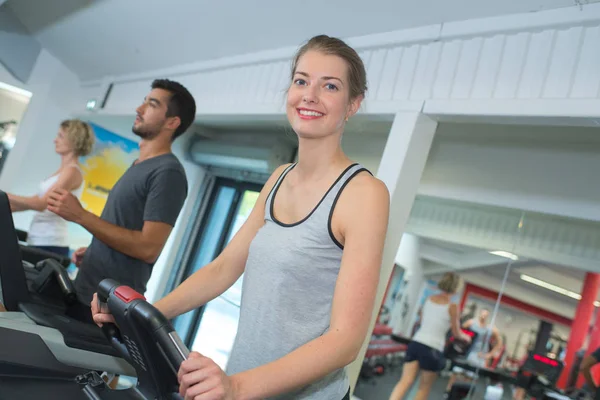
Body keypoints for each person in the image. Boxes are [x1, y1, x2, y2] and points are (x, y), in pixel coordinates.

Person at [93, 34, 390, 399]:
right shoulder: (279, 178)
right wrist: (141, 314)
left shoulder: (364, 194)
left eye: (330, 86)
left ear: (352, 104)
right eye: (301, 81)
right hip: (245, 385)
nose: (309, 95)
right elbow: (223, 268)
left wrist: (236, 386)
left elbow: (346, 340)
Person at [47, 79, 195, 322]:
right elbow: (124, 230)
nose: (139, 108)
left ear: (172, 122)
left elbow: (148, 248)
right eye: (144, 101)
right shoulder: (139, 165)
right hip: (86, 291)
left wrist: (80, 215)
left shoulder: (168, 172)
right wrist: (97, 251)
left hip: (106, 309)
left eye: (152, 104)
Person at [6, 119, 95, 257]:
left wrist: (3, 195)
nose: (55, 140)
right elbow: (36, 200)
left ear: (74, 140)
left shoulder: (72, 172)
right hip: (37, 239)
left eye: (60, 136)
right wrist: (5, 206)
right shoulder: (62, 171)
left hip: (50, 242)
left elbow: (41, 204)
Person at [389, 272, 471, 400]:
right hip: (433, 349)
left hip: (416, 343)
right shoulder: (453, 306)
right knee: (423, 388)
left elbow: (422, 321)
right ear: (456, 288)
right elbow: (456, 333)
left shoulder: (429, 299)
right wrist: (466, 337)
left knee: (404, 382)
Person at [445, 308, 503, 396]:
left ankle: (464, 395)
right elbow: (459, 332)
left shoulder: (491, 328)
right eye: (482, 314)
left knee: (471, 377)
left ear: (487, 317)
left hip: (480, 355)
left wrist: (489, 355)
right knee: (457, 372)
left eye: (485, 315)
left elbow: (499, 343)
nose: (483, 316)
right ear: (479, 314)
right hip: (468, 352)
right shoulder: (471, 323)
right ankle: (448, 391)